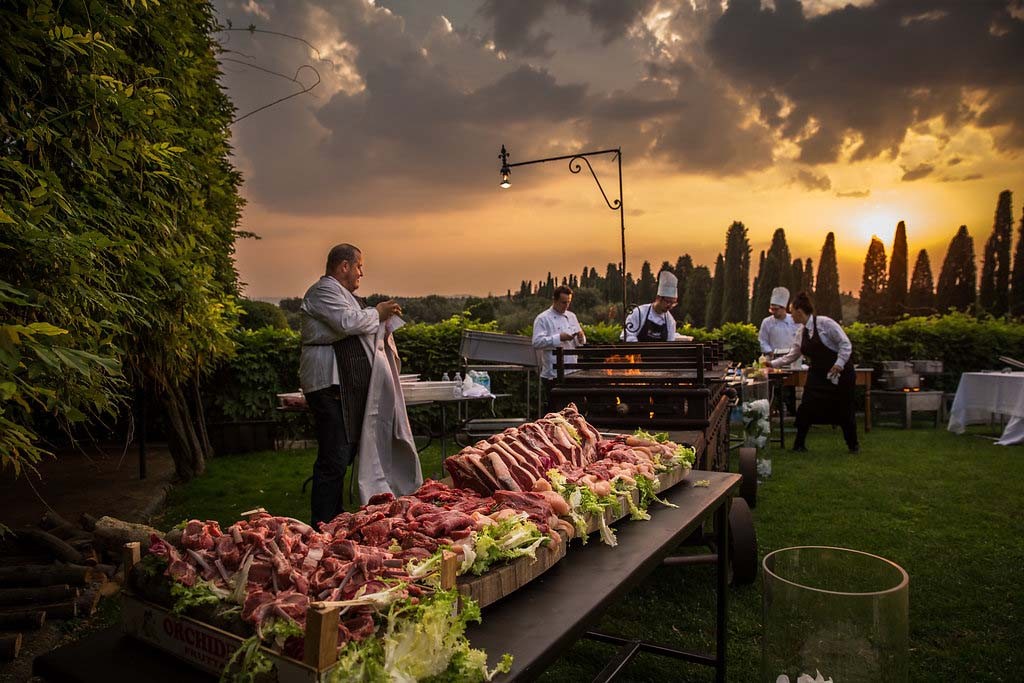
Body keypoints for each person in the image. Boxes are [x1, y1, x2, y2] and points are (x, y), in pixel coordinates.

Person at [299, 243, 422, 527]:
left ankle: (336, 516)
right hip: (326, 384)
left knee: (346, 452)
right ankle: (324, 522)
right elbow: (348, 323)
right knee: (334, 454)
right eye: (359, 266)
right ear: (344, 266)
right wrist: (377, 313)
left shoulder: (345, 297)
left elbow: (355, 326)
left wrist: (378, 322)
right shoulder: (323, 291)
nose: (361, 273)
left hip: (343, 387)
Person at [769, 291, 859, 454]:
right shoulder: (801, 332)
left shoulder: (825, 324)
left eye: (791, 310)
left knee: (845, 409)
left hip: (840, 374)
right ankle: (799, 445)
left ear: (799, 310)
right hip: (817, 375)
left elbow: (845, 344)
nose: (790, 314)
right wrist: (771, 364)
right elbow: (792, 356)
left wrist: (839, 364)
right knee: (806, 407)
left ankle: (853, 445)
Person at [532, 285, 586, 397]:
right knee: (555, 410)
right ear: (555, 300)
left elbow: (579, 343)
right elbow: (536, 342)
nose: (566, 306)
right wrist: (559, 338)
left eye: (568, 302)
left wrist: (581, 337)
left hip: (572, 372)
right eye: (563, 302)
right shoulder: (543, 318)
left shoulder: (572, 316)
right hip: (553, 374)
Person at [624, 270, 678, 342]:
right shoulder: (639, 313)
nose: (670, 306)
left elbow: (670, 343)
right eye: (667, 301)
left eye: (673, 303)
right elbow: (629, 335)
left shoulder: (670, 322)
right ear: (658, 298)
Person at [758, 287, 799, 359]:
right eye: (772, 309)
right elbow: (762, 340)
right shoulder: (767, 322)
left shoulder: (794, 320)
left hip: (791, 358)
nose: (773, 312)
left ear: (783, 308)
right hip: (772, 358)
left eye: (776, 309)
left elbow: (799, 339)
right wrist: (770, 352)